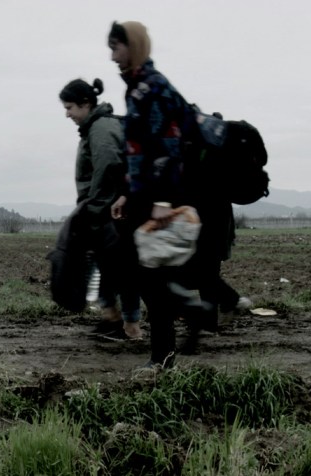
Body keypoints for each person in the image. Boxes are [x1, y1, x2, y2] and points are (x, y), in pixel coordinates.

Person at [107, 20, 223, 367]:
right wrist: (127, 192)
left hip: (160, 193)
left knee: (146, 273)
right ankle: (187, 313)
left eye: (116, 47)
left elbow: (167, 146)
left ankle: (164, 355)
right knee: (141, 270)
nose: (112, 56)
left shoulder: (152, 86)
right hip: (144, 193)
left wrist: (160, 201)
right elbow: (137, 148)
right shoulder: (138, 87)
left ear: (135, 47)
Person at [59, 78, 143, 339]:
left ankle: (130, 327)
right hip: (107, 208)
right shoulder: (96, 127)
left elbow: (107, 170)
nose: (67, 113)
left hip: (110, 211)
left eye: (70, 107)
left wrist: (93, 210)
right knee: (108, 265)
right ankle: (113, 317)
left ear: (86, 104)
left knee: (122, 268)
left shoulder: (100, 129)